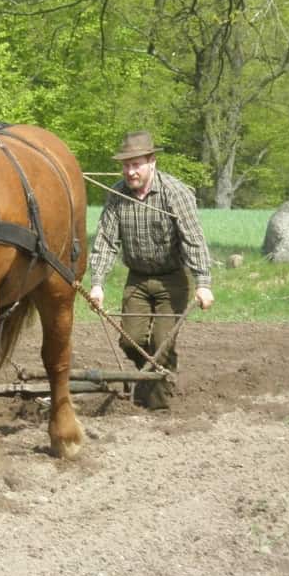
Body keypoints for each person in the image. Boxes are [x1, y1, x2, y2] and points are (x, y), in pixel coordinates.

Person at [88, 131, 214, 410]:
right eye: (126, 165)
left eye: (136, 164)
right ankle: (153, 380)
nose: (130, 171)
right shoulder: (117, 195)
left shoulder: (175, 193)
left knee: (161, 345)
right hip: (138, 280)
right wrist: (97, 283)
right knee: (129, 341)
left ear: (152, 161)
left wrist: (203, 283)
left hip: (172, 281)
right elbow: (106, 242)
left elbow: (193, 240)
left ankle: (157, 408)